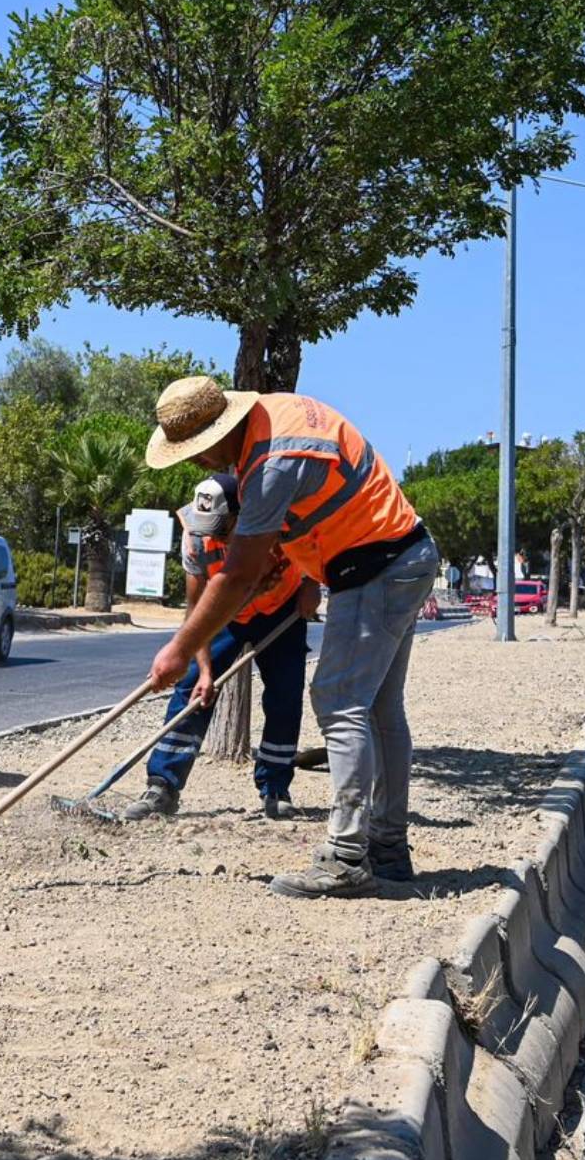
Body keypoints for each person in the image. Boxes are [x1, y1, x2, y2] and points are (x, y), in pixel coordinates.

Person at [145, 377, 439, 898]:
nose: (196, 463)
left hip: (376, 566)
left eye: (194, 452)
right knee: (378, 709)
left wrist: (179, 649)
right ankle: (389, 852)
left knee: (340, 701)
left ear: (219, 430)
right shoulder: (274, 416)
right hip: (402, 554)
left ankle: (348, 858)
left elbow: (236, 575)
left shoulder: (271, 464)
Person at [124, 473, 308, 822]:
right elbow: (195, 611)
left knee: (285, 697)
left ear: (244, 514)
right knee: (193, 689)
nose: (214, 537)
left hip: (283, 609)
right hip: (224, 615)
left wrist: (312, 585)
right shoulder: (195, 538)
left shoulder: (281, 519)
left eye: (222, 529)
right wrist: (206, 671)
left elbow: (320, 544)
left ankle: (275, 788)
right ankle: (163, 785)